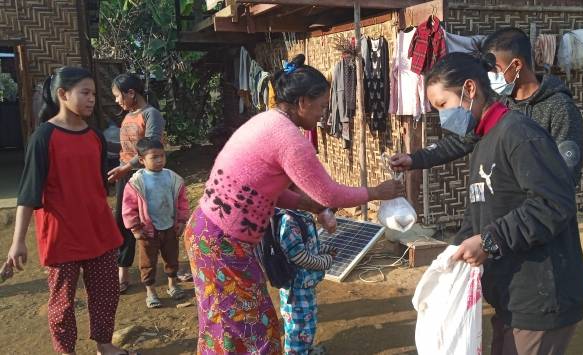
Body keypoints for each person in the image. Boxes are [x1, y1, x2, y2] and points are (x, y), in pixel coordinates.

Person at [183, 54, 403, 355]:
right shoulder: (289, 138)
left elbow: (265, 189)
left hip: (210, 234)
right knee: (248, 330)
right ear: (301, 102)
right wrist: (377, 191)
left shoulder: (265, 121)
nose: (324, 116)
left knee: (228, 325)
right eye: (322, 107)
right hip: (222, 243)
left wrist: (311, 207)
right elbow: (330, 194)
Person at [422, 52, 583, 355]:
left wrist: (488, 241)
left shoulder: (519, 135)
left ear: (470, 89)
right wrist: (455, 252)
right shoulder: (485, 139)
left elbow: (554, 204)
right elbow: (481, 210)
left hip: (543, 294)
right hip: (511, 292)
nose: (442, 117)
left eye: (442, 105)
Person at [3, 67, 136, 355]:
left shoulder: (95, 136)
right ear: (63, 95)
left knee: (106, 291)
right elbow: (28, 193)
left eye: (93, 94)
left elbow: (96, 182)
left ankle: (104, 343)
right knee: (62, 301)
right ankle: (66, 351)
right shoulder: (43, 137)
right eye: (85, 93)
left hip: (98, 229)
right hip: (62, 234)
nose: (91, 99)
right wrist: (17, 242)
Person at [390, 27, 583, 186]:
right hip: (506, 218)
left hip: (541, 223)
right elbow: (461, 141)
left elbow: (566, 174)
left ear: (516, 64)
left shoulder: (560, 108)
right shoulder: (500, 103)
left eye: (495, 70)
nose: (490, 76)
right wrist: (415, 159)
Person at [108, 73, 167, 294]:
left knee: (155, 222)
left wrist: (126, 167)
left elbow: (152, 146)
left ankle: (170, 270)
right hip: (126, 177)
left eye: (117, 96)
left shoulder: (152, 115)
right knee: (123, 222)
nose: (116, 101)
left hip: (146, 178)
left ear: (131, 93)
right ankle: (123, 271)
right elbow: (126, 148)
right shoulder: (128, 115)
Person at [121, 138, 190, 309]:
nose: (159, 160)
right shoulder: (136, 182)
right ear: (142, 160)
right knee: (148, 263)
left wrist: (181, 220)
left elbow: (182, 202)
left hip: (170, 227)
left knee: (172, 258)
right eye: (154, 157)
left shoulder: (173, 178)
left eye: (162, 156)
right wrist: (135, 228)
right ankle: (151, 292)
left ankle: (173, 286)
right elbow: (128, 207)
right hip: (147, 231)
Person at [275, 208, 335, 355]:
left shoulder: (303, 215)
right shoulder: (289, 221)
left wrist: (323, 249)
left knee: (307, 323)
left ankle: (306, 349)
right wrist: (324, 262)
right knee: (298, 327)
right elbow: (298, 255)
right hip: (296, 289)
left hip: (305, 284)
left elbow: (306, 246)